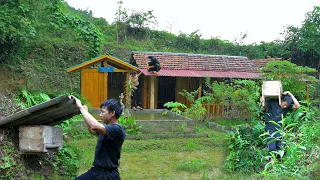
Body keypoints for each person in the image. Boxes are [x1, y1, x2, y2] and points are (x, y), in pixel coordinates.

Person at [72, 96, 126, 180]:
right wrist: (85, 112)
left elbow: (94, 126)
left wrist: (80, 107)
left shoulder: (117, 129)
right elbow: (92, 129)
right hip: (96, 171)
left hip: (108, 175)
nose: (100, 115)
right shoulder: (105, 129)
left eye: (103, 112)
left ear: (112, 113)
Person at [260, 91, 300, 160]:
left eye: (286, 106)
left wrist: (291, 94)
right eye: (284, 104)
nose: (284, 106)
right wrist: (261, 101)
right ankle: (271, 164)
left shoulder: (287, 107)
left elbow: (297, 106)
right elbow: (262, 107)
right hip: (270, 127)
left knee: (281, 148)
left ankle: (278, 165)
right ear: (281, 100)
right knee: (271, 146)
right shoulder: (272, 102)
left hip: (279, 128)